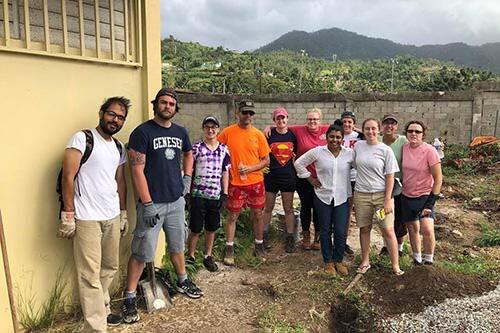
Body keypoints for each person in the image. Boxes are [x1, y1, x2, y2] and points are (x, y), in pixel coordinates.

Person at [122, 88, 202, 324]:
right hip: (152, 203)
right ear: (155, 104)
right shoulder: (142, 132)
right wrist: (146, 203)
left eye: (171, 103)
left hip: (176, 201)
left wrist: (187, 180)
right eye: (163, 102)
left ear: (176, 108)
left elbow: (189, 154)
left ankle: (183, 280)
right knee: (141, 252)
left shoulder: (180, 131)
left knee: (177, 245)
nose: (167, 106)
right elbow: (136, 169)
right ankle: (129, 296)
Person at [58, 97, 130, 332]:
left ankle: (104, 308)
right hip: (86, 217)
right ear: (101, 113)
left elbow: (120, 180)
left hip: (111, 215)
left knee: (110, 267)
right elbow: (67, 176)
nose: (115, 120)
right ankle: (95, 327)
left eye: (120, 117)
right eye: (112, 114)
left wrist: (123, 212)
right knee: (89, 275)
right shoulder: (83, 138)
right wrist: (68, 214)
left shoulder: (118, 147)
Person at [294, 124, 354, 275]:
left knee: (340, 231)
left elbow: (360, 167)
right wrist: (311, 179)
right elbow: (299, 163)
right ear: (326, 137)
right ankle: (328, 262)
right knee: (325, 230)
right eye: (331, 137)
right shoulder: (318, 152)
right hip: (323, 196)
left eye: (338, 137)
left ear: (342, 139)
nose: (335, 140)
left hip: (342, 197)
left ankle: (338, 260)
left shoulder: (350, 154)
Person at [266, 108, 328, 250]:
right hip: (303, 177)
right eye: (310, 119)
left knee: (318, 207)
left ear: (320, 120)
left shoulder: (326, 130)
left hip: (321, 177)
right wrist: (268, 127)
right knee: (305, 206)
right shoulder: (299, 130)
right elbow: (280, 127)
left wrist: (359, 130)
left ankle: (317, 237)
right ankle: (305, 235)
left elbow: (345, 128)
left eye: (316, 119)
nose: (312, 122)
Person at [218, 100, 270, 265]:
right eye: (244, 112)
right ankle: (229, 249)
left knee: (258, 214)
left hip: (255, 182)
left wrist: (251, 168)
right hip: (234, 183)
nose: (248, 116)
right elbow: (217, 150)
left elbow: (266, 160)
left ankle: (259, 245)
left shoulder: (258, 135)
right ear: (237, 113)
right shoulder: (227, 133)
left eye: (250, 113)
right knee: (233, 216)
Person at [353, 118, 404, 276]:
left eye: (374, 129)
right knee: (364, 228)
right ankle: (365, 261)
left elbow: (390, 176)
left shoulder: (385, 150)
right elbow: (354, 165)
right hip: (361, 195)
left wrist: (388, 199)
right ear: (363, 130)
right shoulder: (358, 146)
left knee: (388, 229)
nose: (370, 132)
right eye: (367, 129)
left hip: (381, 196)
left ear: (379, 130)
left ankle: (395, 265)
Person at [185, 116, 230, 272]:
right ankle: (190, 256)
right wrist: (187, 191)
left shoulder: (224, 149)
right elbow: (189, 168)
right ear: (203, 129)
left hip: (215, 195)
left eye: (213, 127)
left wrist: (224, 193)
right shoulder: (197, 147)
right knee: (195, 227)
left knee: (212, 227)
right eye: (207, 127)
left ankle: (207, 256)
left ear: (218, 129)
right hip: (198, 194)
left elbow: (225, 172)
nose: (210, 130)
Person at [401, 120, 443, 265]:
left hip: (425, 196)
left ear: (423, 134)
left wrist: (430, 203)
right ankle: (417, 258)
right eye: (410, 131)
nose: (413, 134)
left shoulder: (430, 151)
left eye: (417, 131)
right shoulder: (404, 148)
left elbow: (438, 179)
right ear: (406, 133)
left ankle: (429, 260)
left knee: (427, 229)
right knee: (412, 228)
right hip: (407, 195)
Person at [262, 107, 298, 253]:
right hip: (271, 176)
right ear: (274, 120)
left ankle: (290, 237)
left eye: (283, 118)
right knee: (268, 208)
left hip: (288, 176)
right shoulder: (268, 135)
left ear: (287, 118)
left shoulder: (293, 135)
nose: (281, 121)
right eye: (278, 118)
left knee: (288, 208)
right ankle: (263, 236)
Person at [379, 114, 408, 257]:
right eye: (386, 123)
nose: (389, 126)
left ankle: (400, 247)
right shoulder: (377, 141)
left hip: (399, 186)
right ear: (381, 126)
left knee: (400, 218)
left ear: (396, 126)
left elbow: (418, 146)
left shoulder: (403, 141)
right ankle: (386, 246)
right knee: (384, 217)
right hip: (380, 186)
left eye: (393, 123)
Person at [340, 111, 364, 255]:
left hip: (356, 178)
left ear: (354, 124)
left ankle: (347, 241)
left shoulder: (360, 138)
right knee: (344, 211)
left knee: (355, 211)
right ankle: (341, 240)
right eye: (344, 122)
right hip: (341, 177)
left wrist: (357, 130)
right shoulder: (336, 135)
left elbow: (374, 134)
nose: (347, 125)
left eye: (350, 122)